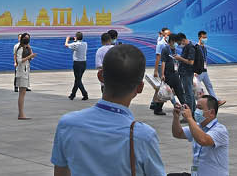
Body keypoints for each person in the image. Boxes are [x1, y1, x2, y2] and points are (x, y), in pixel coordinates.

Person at [51, 43, 165, 175]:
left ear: (100, 76)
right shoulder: (143, 136)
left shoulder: (68, 124)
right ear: (140, 87)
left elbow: (60, 172)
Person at [171, 94, 229, 176]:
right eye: (196, 107)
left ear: (211, 112)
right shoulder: (198, 126)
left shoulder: (220, 130)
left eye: (200, 108)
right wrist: (176, 117)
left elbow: (203, 140)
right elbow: (178, 133)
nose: (196, 111)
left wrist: (189, 118)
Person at [148, 27, 171, 114]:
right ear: (164, 36)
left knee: (160, 87)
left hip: (166, 67)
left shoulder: (167, 44)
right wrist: (156, 70)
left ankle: (154, 103)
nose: (169, 36)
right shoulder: (161, 44)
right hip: (161, 67)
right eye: (168, 35)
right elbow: (158, 58)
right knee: (164, 87)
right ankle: (158, 108)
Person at [14, 32, 37, 119]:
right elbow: (19, 60)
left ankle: (21, 113)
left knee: (23, 93)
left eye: (28, 38)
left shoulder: (26, 48)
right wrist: (29, 56)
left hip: (26, 71)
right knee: (22, 93)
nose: (27, 39)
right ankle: (21, 114)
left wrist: (30, 50)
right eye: (25, 38)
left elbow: (32, 57)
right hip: (21, 72)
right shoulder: (20, 48)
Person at [65, 32, 90, 101]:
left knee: (78, 80)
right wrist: (75, 40)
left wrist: (67, 39)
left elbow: (66, 45)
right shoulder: (85, 44)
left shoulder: (75, 44)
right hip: (84, 63)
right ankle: (72, 95)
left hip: (77, 64)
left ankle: (85, 94)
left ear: (76, 37)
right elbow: (77, 45)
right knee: (78, 79)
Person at [194, 30, 219, 99]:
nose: (205, 39)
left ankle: (215, 100)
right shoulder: (196, 47)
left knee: (209, 85)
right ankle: (197, 103)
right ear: (199, 38)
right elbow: (193, 60)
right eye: (203, 37)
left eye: (206, 37)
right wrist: (194, 71)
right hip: (198, 72)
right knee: (197, 88)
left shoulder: (204, 48)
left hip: (204, 70)